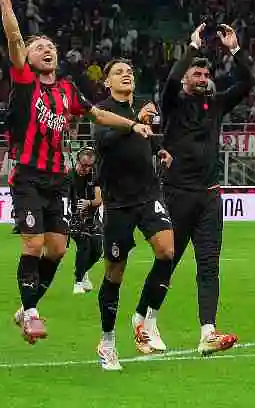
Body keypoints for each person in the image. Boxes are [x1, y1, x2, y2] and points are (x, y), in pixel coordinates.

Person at [0, 0, 151, 344]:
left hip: (55, 179)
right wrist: (5, 3)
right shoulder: (25, 81)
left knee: (59, 249)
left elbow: (97, 114)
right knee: (33, 245)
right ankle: (31, 312)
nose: (47, 50)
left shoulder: (67, 90)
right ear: (29, 59)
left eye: (51, 46)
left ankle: (25, 307)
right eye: (39, 48)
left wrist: (132, 124)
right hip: (28, 176)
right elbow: (15, 40)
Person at [156, 23, 254, 356]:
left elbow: (249, 81)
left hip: (210, 196)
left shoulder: (217, 105)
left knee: (209, 265)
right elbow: (170, 82)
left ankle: (207, 332)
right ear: (187, 77)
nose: (200, 78)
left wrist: (235, 50)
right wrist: (192, 49)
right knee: (168, 260)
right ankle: (148, 320)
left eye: (204, 74)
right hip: (178, 194)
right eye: (195, 73)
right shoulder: (173, 104)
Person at [92, 59, 176, 371]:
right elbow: (104, 142)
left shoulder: (142, 110)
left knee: (167, 251)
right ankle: (108, 340)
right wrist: (133, 123)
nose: (127, 74)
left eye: (130, 71)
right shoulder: (101, 110)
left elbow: (146, 141)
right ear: (107, 83)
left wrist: (159, 149)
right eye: (118, 72)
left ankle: (143, 318)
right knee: (115, 273)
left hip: (148, 195)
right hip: (117, 203)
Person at [68, 148, 103, 295]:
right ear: (78, 161)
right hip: (74, 218)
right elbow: (64, 199)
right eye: (84, 165)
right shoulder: (68, 177)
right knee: (84, 245)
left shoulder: (95, 176)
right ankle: (78, 282)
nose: (86, 169)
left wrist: (88, 203)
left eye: (89, 166)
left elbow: (99, 200)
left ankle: (83, 272)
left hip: (92, 217)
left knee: (98, 251)